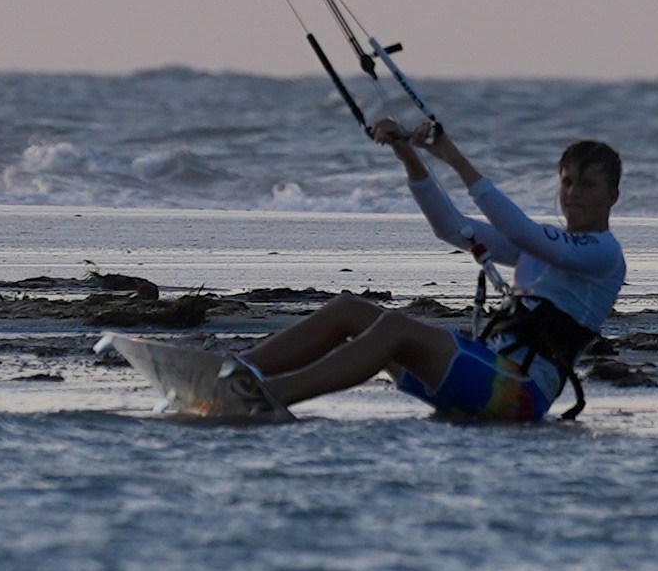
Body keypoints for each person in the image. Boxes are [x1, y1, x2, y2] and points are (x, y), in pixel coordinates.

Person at [228, 119, 625, 422]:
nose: (573, 194)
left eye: (587, 185)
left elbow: (523, 232)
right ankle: (237, 370)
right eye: (567, 182)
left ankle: (270, 395)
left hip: (518, 393)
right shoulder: (543, 245)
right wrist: (409, 156)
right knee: (350, 310)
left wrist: (452, 156)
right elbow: (452, 226)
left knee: (395, 328)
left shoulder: (604, 254)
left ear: (612, 196)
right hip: (483, 371)